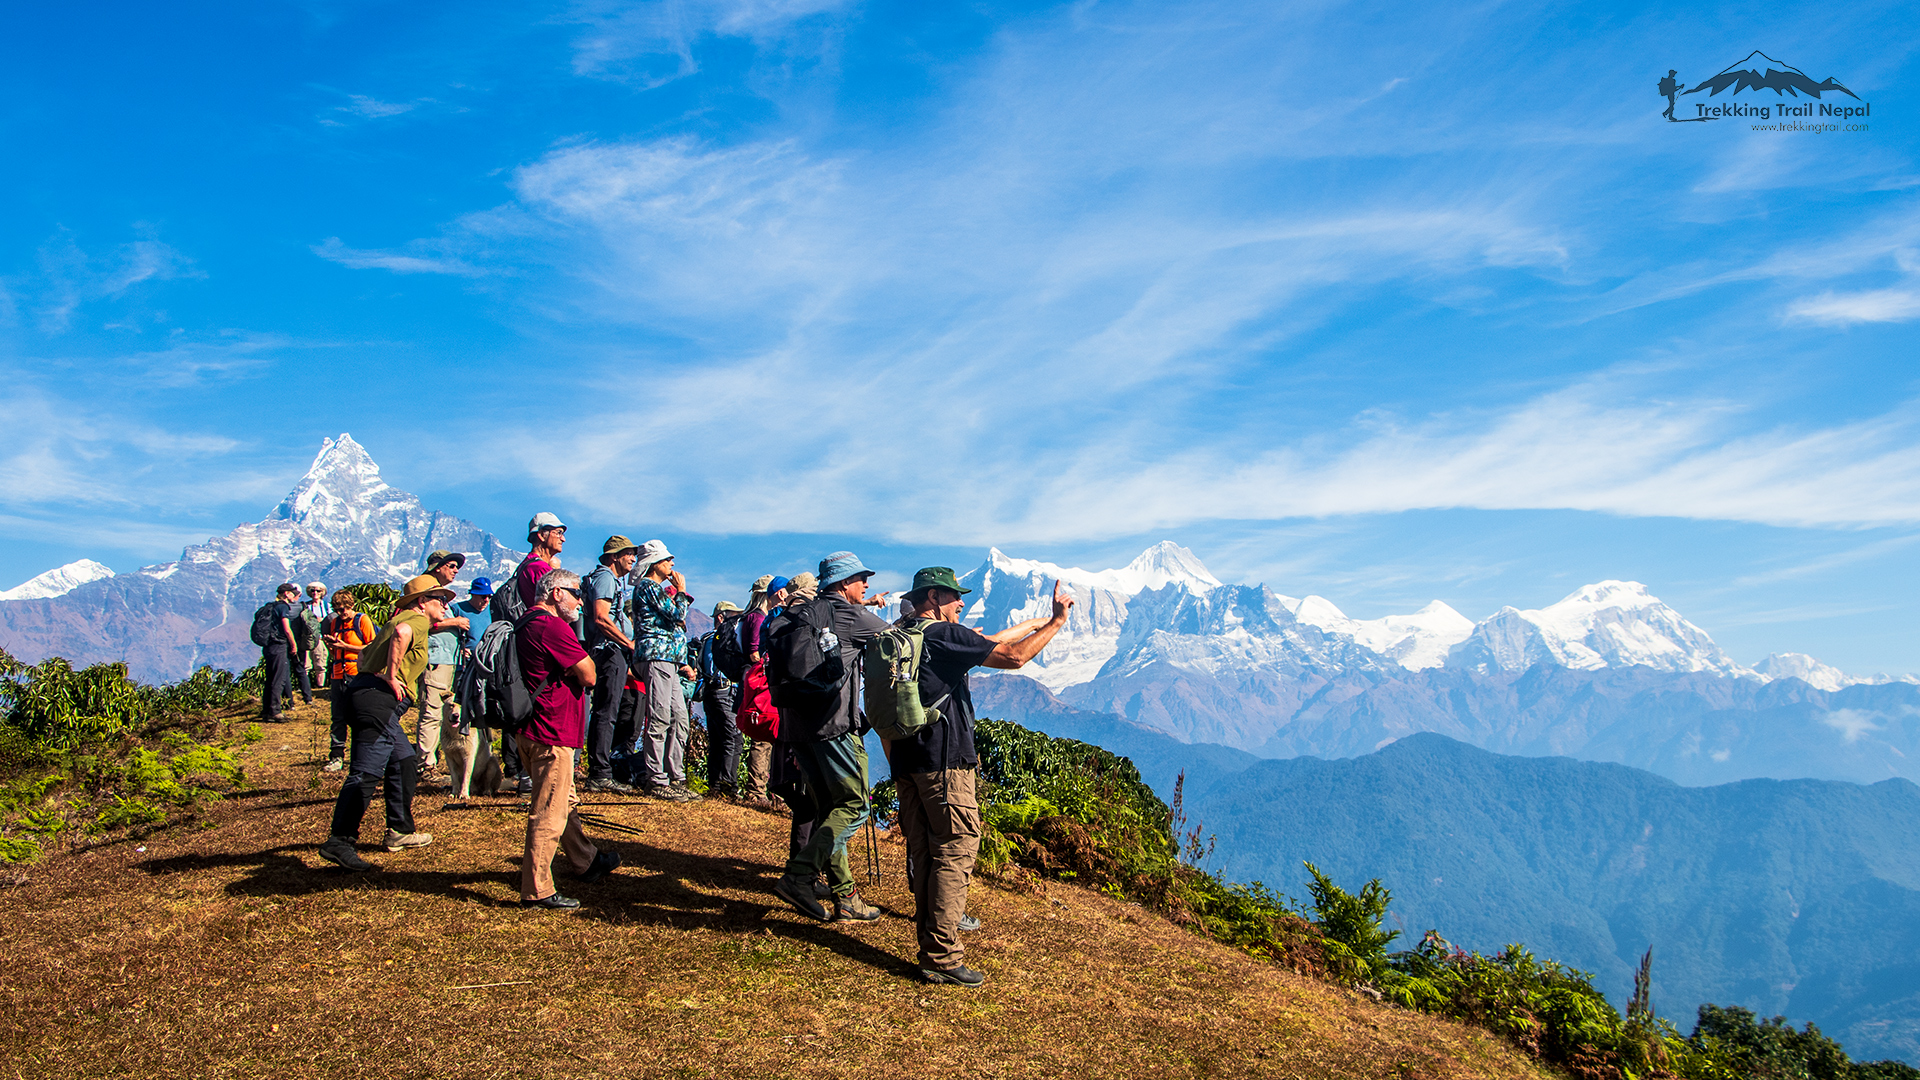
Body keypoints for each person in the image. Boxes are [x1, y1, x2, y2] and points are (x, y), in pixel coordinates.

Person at [891, 567, 1075, 987]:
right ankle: (941, 954)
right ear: (934, 597)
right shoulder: (943, 635)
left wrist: (1037, 622)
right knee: (956, 847)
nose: (962, 603)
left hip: (906, 759)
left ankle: (930, 942)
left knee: (925, 851)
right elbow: (1013, 656)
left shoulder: (904, 636)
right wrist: (1058, 623)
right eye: (956, 597)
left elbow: (990, 639)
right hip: (944, 762)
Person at [770, 552, 894, 924]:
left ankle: (848, 897)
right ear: (844, 584)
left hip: (796, 726)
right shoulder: (849, 614)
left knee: (829, 811)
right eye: (861, 579)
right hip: (832, 727)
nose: (867, 585)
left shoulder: (808, 612)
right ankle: (800, 875)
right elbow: (899, 639)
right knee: (855, 806)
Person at [316, 575, 447, 870]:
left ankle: (400, 831)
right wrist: (390, 675)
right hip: (377, 699)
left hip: (365, 693)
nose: (445, 604)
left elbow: (364, 655)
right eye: (439, 598)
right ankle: (339, 840)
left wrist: (374, 674)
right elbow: (402, 634)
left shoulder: (395, 619)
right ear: (422, 602)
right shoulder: (415, 619)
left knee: (403, 759)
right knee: (365, 772)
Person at [515, 568, 620, 909]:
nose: (581, 600)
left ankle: (585, 860)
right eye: (576, 593)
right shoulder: (552, 625)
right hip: (552, 729)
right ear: (556, 593)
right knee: (549, 812)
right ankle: (538, 888)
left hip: (531, 728)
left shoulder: (525, 622)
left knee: (563, 803)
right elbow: (588, 674)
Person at [631, 540, 697, 801]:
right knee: (659, 715)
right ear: (655, 563)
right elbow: (677, 613)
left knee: (679, 717)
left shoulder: (652, 588)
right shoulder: (647, 587)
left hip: (667, 659)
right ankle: (656, 779)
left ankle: (675, 776)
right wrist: (681, 591)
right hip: (655, 656)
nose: (672, 564)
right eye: (667, 559)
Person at [582, 537, 640, 794]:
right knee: (607, 711)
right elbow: (601, 617)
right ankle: (600, 773)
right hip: (609, 651)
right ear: (614, 556)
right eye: (628, 554)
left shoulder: (608, 578)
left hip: (610, 651)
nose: (633, 559)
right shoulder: (605, 577)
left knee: (607, 710)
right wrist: (628, 643)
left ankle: (600, 769)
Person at [416, 551, 471, 777]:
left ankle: (432, 759)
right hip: (435, 658)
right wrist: (455, 622)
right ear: (437, 567)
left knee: (442, 712)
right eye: (451, 565)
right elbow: (420, 623)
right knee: (432, 711)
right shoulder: (424, 590)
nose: (455, 570)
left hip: (448, 658)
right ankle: (425, 764)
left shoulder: (441, 595)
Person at [737, 574, 787, 803]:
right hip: (773, 683)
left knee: (767, 735)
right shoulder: (771, 616)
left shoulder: (763, 618)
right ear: (780, 593)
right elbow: (756, 651)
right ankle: (761, 792)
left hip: (766, 682)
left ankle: (760, 790)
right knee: (770, 735)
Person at [320, 590, 376, 772]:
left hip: (356, 673)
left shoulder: (362, 620)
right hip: (338, 674)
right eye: (336, 609)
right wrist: (332, 645)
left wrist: (345, 646)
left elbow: (372, 647)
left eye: (342, 608)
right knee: (338, 716)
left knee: (359, 715)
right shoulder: (335, 622)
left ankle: (362, 755)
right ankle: (336, 756)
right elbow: (334, 649)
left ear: (350, 605)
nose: (340, 612)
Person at [700, 601, 745, 799]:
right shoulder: (717, 639)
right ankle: (728, 785)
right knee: (733, 737)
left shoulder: (707, 639)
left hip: (711, 692)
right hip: (722, 690)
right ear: (721, 617)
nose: (736, 620)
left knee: (718, 739)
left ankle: (716, 785)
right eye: (732, 615)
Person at [260, 583, 301, 722]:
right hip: (279, 645)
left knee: (270, 677)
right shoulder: (283, 607)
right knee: (279, 677)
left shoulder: (270, 606)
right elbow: (286, 628)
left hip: (268, 645)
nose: (294, 595)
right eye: (292, 593)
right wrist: (293, 645)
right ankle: (275, 711)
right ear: (286, 594)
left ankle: (267, 710)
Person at [298, 582, 329, 691]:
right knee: (305, 664)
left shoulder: (326, 606)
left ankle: (320, 687)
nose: (315, 593)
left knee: (320, 663)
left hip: (320, 638)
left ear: (322, 593)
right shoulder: (305, 606)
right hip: (307, 639)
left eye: (318, 591)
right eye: (313, 590)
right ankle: (305, 687)